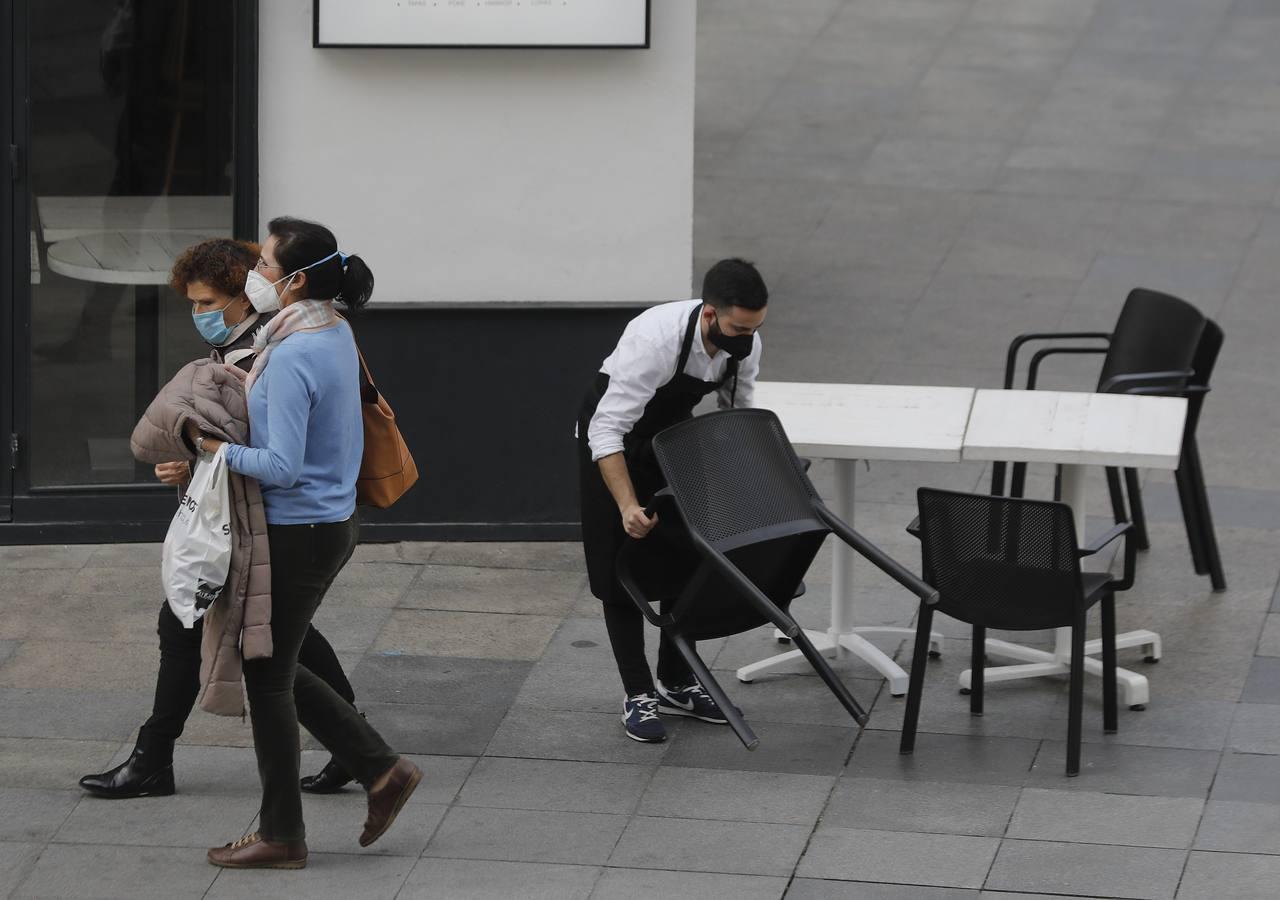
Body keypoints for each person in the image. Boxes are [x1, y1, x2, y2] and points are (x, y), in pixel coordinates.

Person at [77, 238, 364, 801]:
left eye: (208, 302)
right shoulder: (275, 341)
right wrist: (192, 461)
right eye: (192, 303)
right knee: (275, 629)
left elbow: (273, 459)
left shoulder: (273, 356)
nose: (198, 314)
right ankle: (356, 747)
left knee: (221, 631)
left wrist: (207, 451)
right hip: (288, 516)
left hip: (279, 519)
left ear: (250, 295)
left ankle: (159, 761)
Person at [191, 218, 419, 870]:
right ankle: (380, 769)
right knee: (272, 661)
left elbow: (282, 464)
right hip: (324, 524)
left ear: (293, 280)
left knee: (265, 673)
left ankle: (284, 834)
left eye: (264, 264)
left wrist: (212, 451)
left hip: (299, 531)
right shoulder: (329, 328)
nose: (253, 274)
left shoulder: (293, 353)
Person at [577, 258, 768, 743]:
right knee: (620, 564)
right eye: (738, 327)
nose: (745, 338)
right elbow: (607, 429)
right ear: (709, 314)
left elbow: (736, 411)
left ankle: (677, 681)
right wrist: (625, 505)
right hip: (612, 440)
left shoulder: (744, 342)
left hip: (672, 437)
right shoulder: (655, 340)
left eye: (754, 328)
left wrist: (730, 483)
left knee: (688, 557)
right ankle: (637, 693)